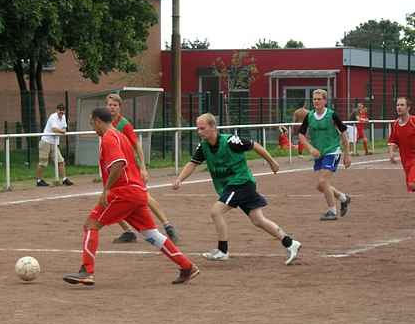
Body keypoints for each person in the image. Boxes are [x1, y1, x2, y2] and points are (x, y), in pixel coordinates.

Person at [62, 108, 199, 286]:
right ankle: (187, 266)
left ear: (97, 121)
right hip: (137, 192)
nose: (92, 127)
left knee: (91, 225)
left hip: (123, 192)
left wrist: (106, 189)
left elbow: (118, 164)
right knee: (152, 234)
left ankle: (87, 271)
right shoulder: (120, 136)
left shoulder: (109, 137)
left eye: (91, 123)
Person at [172, 113, 302, 265]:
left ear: (213, 127)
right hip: (232, 185)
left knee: (216, 211)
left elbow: (255, 145)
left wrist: (272, 162)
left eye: (202, 128)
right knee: (258, 219)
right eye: (198, 128)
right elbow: (193, 163)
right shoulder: (203, 146)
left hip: (241, 182)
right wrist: (180, 179)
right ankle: (290, 243)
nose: (199, 132)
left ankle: (222, 250)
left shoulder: (230, 141)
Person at [105, 93, 180, 244]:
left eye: (115, 105)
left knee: (144, 197)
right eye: (109, 105)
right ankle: (128, 231)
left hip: (129, 168)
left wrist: (143, 168)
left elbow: (136, 145)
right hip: (115, 168)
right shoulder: (105, 123)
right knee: (108, 198)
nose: (112, 107)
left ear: (120, 107)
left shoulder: (123, 124)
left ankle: (168, 225)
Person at [298, 89, 352, 221]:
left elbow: (344, 133)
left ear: (325, 101)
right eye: (314, 99)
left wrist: (347, 154)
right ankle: (343, 198)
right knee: (320, 186)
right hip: (318, 153)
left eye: (319, 99)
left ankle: (332, 211)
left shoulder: (332, 115)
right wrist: (310, 148)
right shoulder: (309, 116)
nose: (316, 101)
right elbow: (301, 135)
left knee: (323, 181)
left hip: (332, 150)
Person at [36, 103, 73, 187]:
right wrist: (62, 131)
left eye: (63, 111)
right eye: (60, 111)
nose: (61, 113)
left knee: (61, 161)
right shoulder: (53, 117)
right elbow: (54, 129)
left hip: (54, 142)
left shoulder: (63, 117)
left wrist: (62, 130)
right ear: (57, 110)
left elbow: (64, 127)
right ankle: (39, 180)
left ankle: (64, 179)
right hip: (46, 141)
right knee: (43, 162)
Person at [388, 97, 415, 192]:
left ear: (408, 108)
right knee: (411, 188)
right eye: (397, 105)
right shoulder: (395, 124)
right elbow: (393, 141)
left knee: (412, 184)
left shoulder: (413, 121)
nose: (399, 107)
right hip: (405, 161)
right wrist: (391, 153)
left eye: (402, 105)